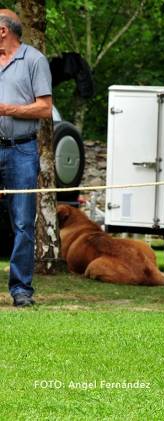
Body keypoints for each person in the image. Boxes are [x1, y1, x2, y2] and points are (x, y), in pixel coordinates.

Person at [0, 10, 52, 307]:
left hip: (22, 150)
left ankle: (21, 291)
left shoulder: (34, 60)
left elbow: (44, 109)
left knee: (22, 223)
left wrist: (7, 109)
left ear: (4, 31)